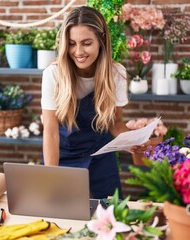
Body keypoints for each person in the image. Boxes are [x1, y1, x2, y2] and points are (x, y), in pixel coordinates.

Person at [41, 6, 144, 199]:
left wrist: (134, 141)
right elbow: (51, 131)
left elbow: (114, 123)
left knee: (110, 215)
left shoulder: (116, 73)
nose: (78, 51)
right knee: (61, 214)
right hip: (62, 154)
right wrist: (51, 178)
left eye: (86, 43)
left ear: (101, 41)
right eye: (71, 43)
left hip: (100, 156)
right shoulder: (54, 74)